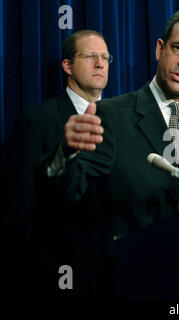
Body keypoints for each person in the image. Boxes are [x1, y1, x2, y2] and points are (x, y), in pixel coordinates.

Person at [38, 9, 179, 297]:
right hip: (131, 282)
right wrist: (64, 155)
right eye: (178, 48)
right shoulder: (111, 116)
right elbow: (67, 197)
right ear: (160, 49)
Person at [4, 30, 111, 298]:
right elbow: (22, 202)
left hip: (113, 267)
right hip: (57, 267)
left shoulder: (123, 119)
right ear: (67, 66)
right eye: (90, 56)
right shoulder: (37, 120)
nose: (100, 64)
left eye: (105, 57)